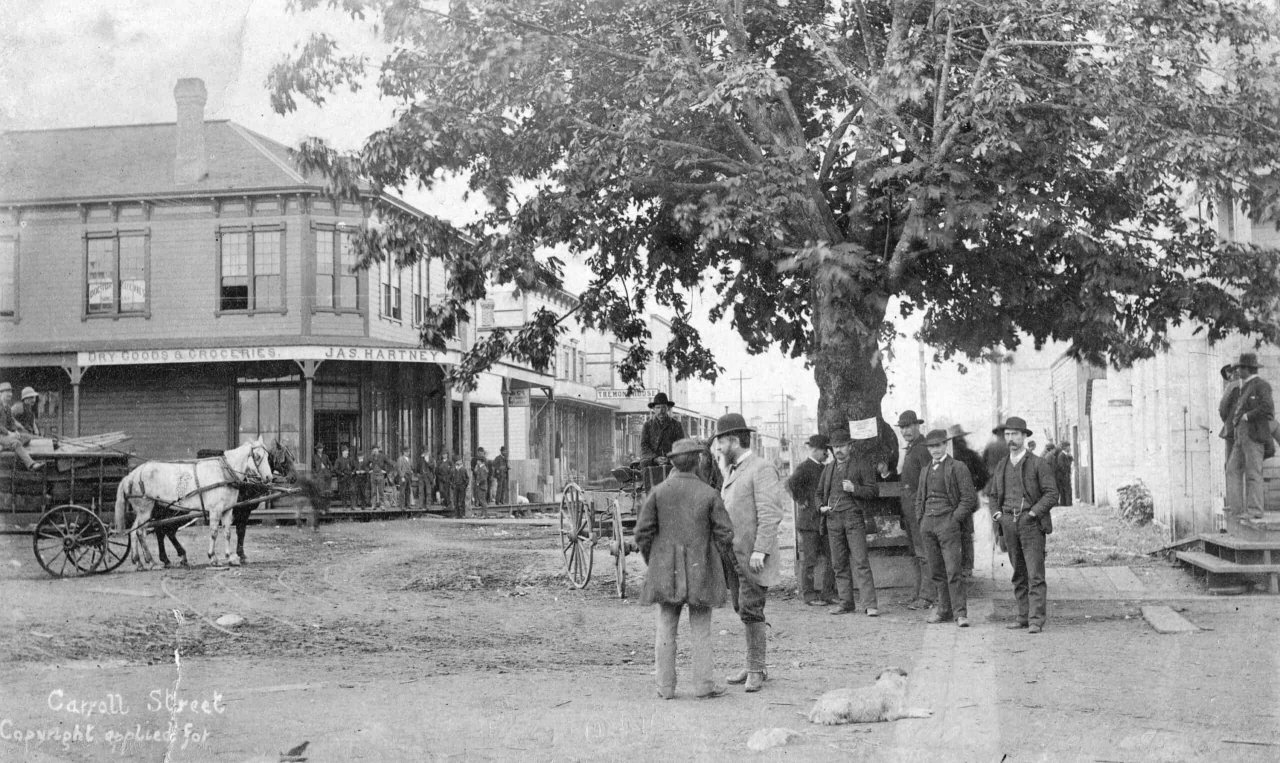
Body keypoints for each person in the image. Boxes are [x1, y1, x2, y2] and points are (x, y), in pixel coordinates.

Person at [635, 438, 738, 700]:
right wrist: (714, 558)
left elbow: (642, 533)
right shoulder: (709, 494)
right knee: (701, 628)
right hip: (700, 569)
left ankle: (665, 687)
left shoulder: (658, 492)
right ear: (698, 461)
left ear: (673, 463)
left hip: (666, 571)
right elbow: (726, 533)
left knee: (666, 626)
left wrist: (656, 560)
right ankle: (704, 686)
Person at [715, 412, 783, 693]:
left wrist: (761, 550)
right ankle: (754, 664)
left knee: (752, 609)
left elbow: (770, 514)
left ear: (734, 440)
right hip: (734, 554)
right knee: (742, 608)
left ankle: (756, 669)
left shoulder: (761, 468)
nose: (718, 448)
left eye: (720, 442)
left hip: (752, 556)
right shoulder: (733, 470)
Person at [988, 416, 1058, 633]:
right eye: (1007, 435)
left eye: (1015, 434)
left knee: (1035, 572)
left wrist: (1034, 513)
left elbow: (1052, 494)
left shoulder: (1038, 463)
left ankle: (1036, 619)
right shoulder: (1002, 465)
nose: (1011, 439)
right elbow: (992, 495)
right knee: (1018, 572)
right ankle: (1023, 616)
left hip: (1031, 524)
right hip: (1008, 523)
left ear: (1025, 436)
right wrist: (998, 515)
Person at [915, 429, 978, 628]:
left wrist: (953, 520)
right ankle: (943, 610)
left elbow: (969, 499)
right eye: (931, 446)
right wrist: (921, 520)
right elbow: (919, 498)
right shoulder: (925, 470)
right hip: (928, 525)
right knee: (936, 570)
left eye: (938, 445)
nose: (935, 450)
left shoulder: (958, 467)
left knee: (953, 570)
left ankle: (960, 613)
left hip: (948, 524)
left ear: (945, 445)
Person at [817, 430, 884, 617]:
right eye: (835, 447)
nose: (838, 450)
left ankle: (870, 604)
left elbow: (873, 491)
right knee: (839, 564)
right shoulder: (828, 469)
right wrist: (821, 507)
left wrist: (855, 489)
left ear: (850, 446)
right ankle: (846, 603)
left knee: (861, 561)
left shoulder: (861, 465)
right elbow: (818, 494)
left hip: (854, 518)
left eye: (842, 446)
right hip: (833, 520)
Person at [786, 434, 836, 607]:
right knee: (810, 560)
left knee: (831, 557)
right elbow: (790, 483)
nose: (827, 454)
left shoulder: (823, 468)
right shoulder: (805, 467)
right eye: (825, 450)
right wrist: (801, 500)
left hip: (822, 522)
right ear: (815, 450)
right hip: (809, 523)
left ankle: (827, 593)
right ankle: (809, 595)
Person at [893, 410, 933, 610]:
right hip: (910, 510)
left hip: (920, 510)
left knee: (924, 552)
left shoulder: (923, 449)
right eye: (902, 427)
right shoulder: (911, 449)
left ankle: (927, 596)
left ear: (918, 426)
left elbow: (928, 482)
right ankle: (918, 592)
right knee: (916, 552)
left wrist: (922, 509)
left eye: (909, 426)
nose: (905, 431)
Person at [1225, 353, 1273, 520]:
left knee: (1253, 473)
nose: (1237, 371)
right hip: (1240, 436)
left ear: (1247, 368)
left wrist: (1248, 416)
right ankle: (1236, 511)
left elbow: (1268, 408)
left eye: (1239, 368)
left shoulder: (1261, 385)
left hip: (1253, 435)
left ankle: (1255, 511)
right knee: (1231, 469)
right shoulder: (1244, 386)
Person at [948, 425, 989, 578]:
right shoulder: (968, 455)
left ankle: (964, 566)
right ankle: (966, 566)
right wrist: (974, 488)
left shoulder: (966, 456)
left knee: (962, 533)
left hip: (962, 500)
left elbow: (984, 476)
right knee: (965, 533)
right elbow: (984, 476)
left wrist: (972, 488)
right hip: (963, 500)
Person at [0, 383, 44, 471]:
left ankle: (5, 446)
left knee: (26, 438)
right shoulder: (15, 407)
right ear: (0, 393)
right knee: (16, 443)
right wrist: (8, 433)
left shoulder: (8, 408)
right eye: (7, 392)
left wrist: (15, 431)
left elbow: (11, 422)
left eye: (11, 392)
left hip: (5, 436)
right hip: (2, 434)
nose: (10, 394)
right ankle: (31, 464)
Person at [640, 392, 686, 468]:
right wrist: (655, 459)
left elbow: (681, 446)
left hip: (672, 461)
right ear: (654, 409)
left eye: (663, 407)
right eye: (658, 407)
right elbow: (644, 446)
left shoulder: (676, 425)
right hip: (652, 461)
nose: (661, 411)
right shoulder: (647, 425)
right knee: (643, 464)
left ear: (668, 408)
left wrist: (669, 459)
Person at [1219, 363, 1242, 468]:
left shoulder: (1232, 386)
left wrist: (1227, 420)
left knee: (1231, 462)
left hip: (1232, 429)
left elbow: (1222, 408)